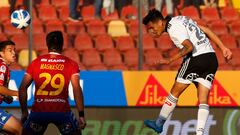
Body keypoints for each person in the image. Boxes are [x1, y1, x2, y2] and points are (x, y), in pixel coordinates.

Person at [142, 9, 232, 135]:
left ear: (160, 22)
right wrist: (223, 48)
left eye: (151, 27)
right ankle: (200, 133)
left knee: (175, 92)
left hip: (196, 58)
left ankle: (159, 124)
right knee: (203, 98)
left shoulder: (173, 29)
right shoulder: (182, 19)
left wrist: (170, 60)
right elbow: (206, 29)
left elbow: (189, 47)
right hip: (211, 58)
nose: (151, 31)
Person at [19, 31, 86, 135]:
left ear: (47, 44)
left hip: (39, 112)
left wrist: (24, 112)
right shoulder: (71, 64)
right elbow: (76, 88)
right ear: (62, 44)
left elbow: (23, 88)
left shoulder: (35, 63)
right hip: (62, 112)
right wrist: (81, 115)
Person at [0, 40, 22, 135]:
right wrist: (17, 93)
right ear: (1, 53)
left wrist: (5, 97)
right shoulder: (2, 66)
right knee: (20, 130)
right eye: (10, 50)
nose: (14, 53)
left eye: (14, 50)